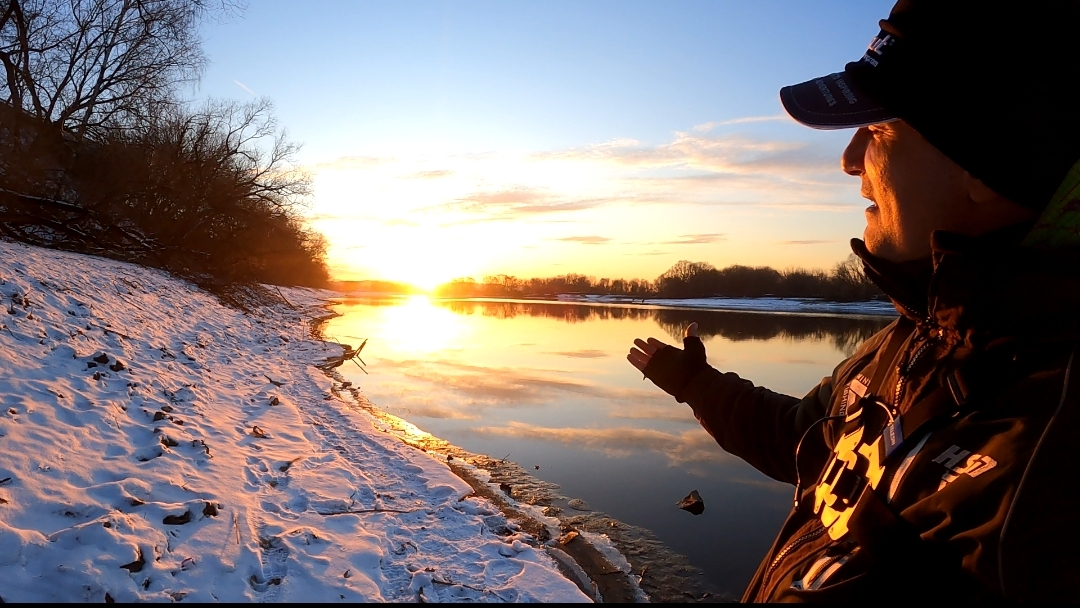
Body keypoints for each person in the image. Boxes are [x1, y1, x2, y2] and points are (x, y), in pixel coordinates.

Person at [627, 0, 1080, 601]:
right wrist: (696, 383)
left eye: (879, 129)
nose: (848, 160)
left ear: (987, 160)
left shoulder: (1051, 453)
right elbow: (805, 438)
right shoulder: (920, 335)